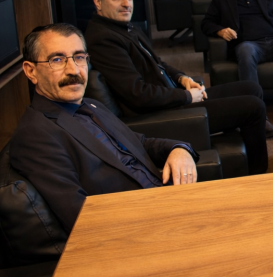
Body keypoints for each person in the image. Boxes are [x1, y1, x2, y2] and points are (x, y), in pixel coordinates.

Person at [9, 24, 198, 233]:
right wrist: (160, 215)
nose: (74, 70)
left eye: (79, 57)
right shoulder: (35, 135)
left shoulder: (92, 105)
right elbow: (81, 216)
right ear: (31, 71)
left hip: (169, 199)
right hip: (144, 226)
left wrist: (178, 149)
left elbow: (139, 143)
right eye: (57, 60)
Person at [84, 0, 272, 175]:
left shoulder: (125, 29)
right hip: (162, 114)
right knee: (253, 107)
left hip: (171, 98)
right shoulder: (104, 39)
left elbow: (159, 63)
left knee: (251, 88)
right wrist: (187, 97)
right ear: (98, 2)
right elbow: (138, 94)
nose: (126, 3)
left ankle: (236, 142)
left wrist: (182, 78)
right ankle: (257, 174)